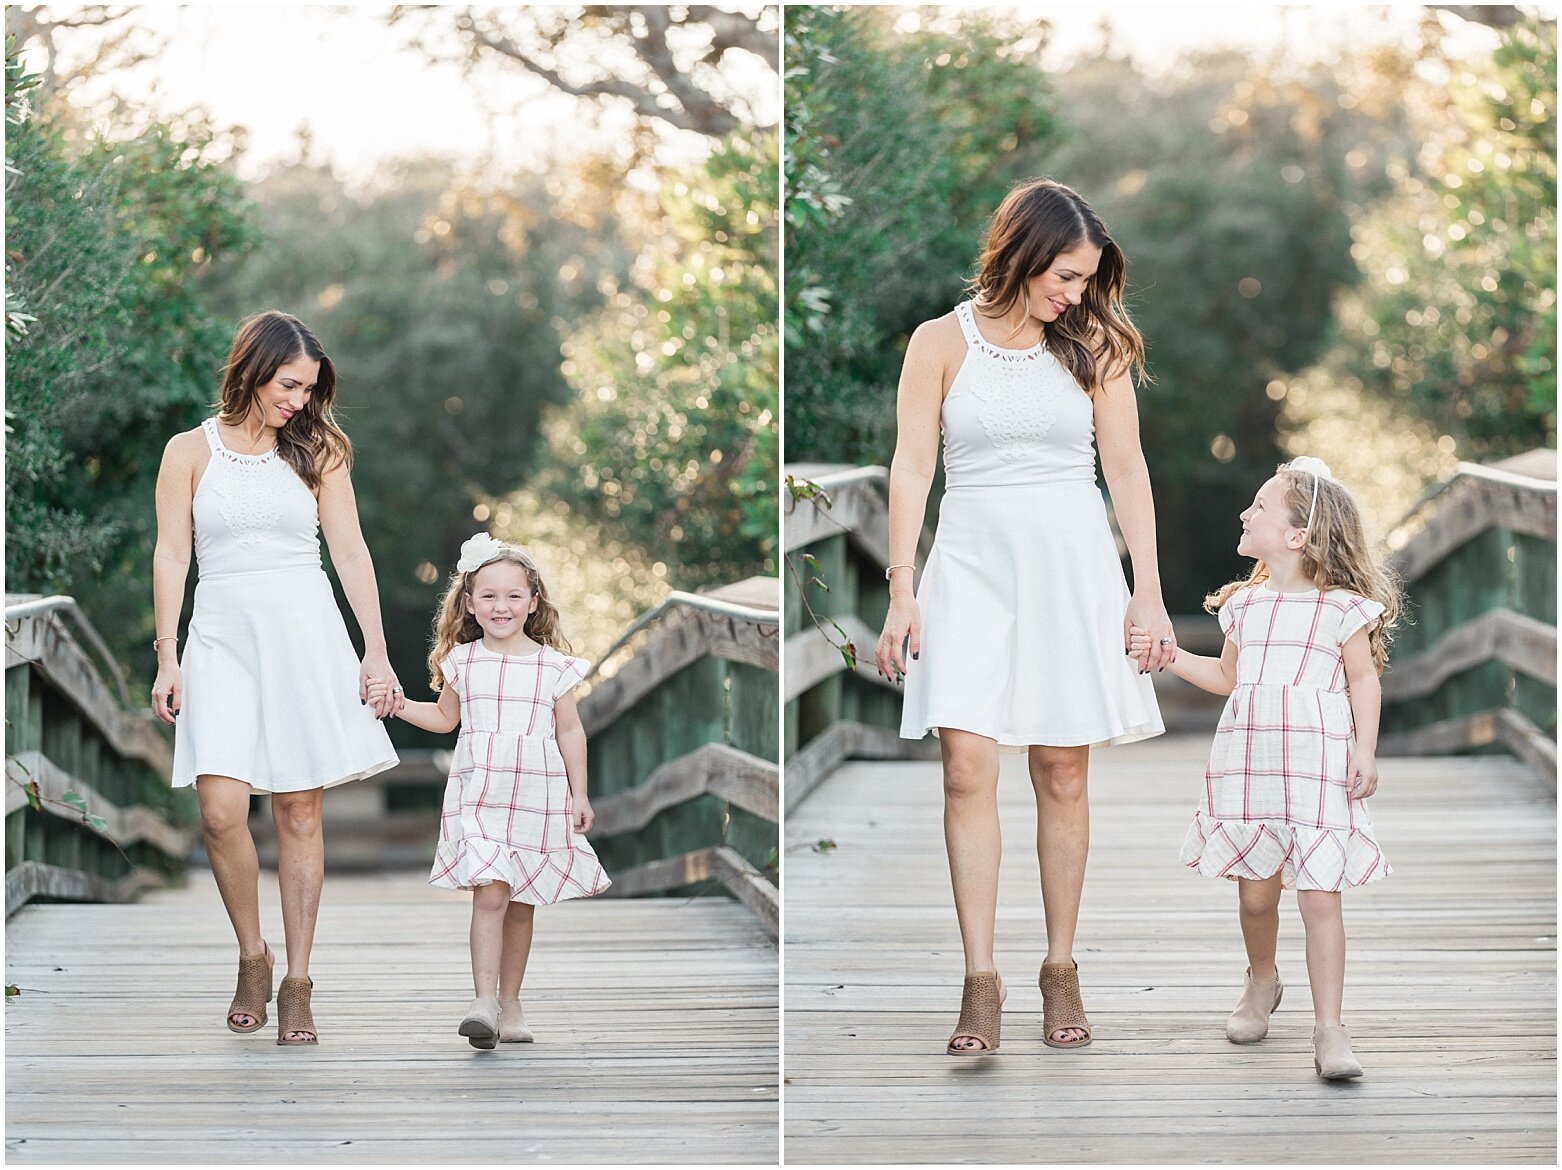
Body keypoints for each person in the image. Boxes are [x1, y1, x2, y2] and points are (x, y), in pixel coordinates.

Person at [874, 178, 1171, 1056]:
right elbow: (908, 467)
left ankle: (1060, 967)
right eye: (1065, 276)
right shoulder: (939, 342)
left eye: (1085, 280)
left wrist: (1145, 592)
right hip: (968, 567)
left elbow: (1128, 472)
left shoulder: (1097, 347)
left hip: (1072, 565)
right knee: (966, 768)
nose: (1074, 294)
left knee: (1060, 771)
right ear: (1022, 253)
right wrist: (901, 588)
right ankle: (979, 979)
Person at [151, 310, 402, 1045]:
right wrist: (167, 655)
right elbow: (172, 556)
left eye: (309, 388)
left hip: (305, 637)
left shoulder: (318, 449)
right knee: (221, 810)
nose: (299, 399)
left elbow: (350, 554)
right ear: (253, 369)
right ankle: (251, 957)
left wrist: (376, 650)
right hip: (222, 639)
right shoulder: (187, 451)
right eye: (290, 384)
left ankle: (297, 982)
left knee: (299, 812)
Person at [1131, 456, 1400, 1080]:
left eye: (1259, 508)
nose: (1245, 513)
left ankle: (1330, 1028)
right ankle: (1262, 979)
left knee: (1319, 898)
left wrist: (1365, 748)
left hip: (1318, 770)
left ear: (1297, 536)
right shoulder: (1245, 608)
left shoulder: (1342, 609)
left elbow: (1364, 680)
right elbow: (1227, 678)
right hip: (1251, 766)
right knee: (1256, 899)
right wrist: (1169, 656)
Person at [371, 532, 609, 1049]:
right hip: (480, 791)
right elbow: (442, 717)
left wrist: (581, 794)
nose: (501, 606)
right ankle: (482, 1001)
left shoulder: (554, 667)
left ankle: (511, 1001)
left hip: (538, 792)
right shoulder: (464, 661)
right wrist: (398, 705)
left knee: (521, 901)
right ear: (470, 605)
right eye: (488, 597)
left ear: (533, 602)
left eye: (513, 596)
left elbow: (570, 730)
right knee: (491, 891)